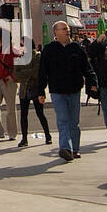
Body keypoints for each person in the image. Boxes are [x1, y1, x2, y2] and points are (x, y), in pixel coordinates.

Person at [36, 21, 98, 161]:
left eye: (68, 29)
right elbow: (42, 72)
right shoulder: (49, 49)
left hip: (74, 90)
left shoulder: (76, 48)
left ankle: (74, 149)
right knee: (63, 119)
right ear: (56, 33)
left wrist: (93, 84)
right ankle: (65, 148)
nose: (67, 31)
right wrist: (40, 91)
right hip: (57, 91)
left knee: (73, 122)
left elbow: (87, 68)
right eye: (64, 29)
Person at [15, 41, 51, 148]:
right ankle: (24, 138)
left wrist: (24, 72)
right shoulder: (20, 58)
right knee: (23, 115)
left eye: (22, 45)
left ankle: (48, 135)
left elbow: (37, 71)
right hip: (24, 90)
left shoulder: (37, 56)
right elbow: (16, 74)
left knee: (40, 113)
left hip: (36, 88)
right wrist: (27, 73)